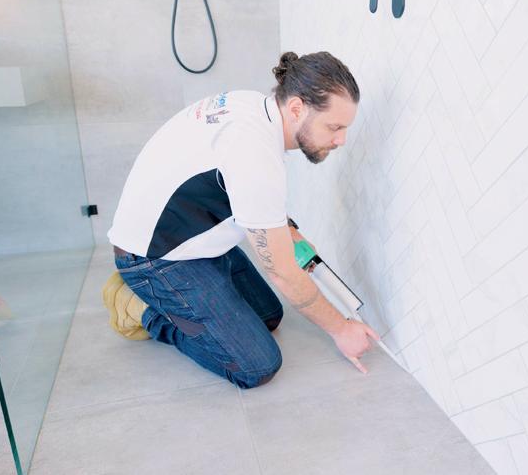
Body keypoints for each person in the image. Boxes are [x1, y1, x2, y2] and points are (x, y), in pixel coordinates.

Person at [107, 51, 380, 389]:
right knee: (256, 366)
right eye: (334, 127)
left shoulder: (257, 107)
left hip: (189, 238)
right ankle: (140, 306)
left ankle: (181, 297)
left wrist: (287, 231)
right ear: (297, 108)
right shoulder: (254, 152)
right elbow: (283, 274)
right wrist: (341, 329)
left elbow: (243, 191)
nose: (341, 140)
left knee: (269, 315)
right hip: (153, 259)